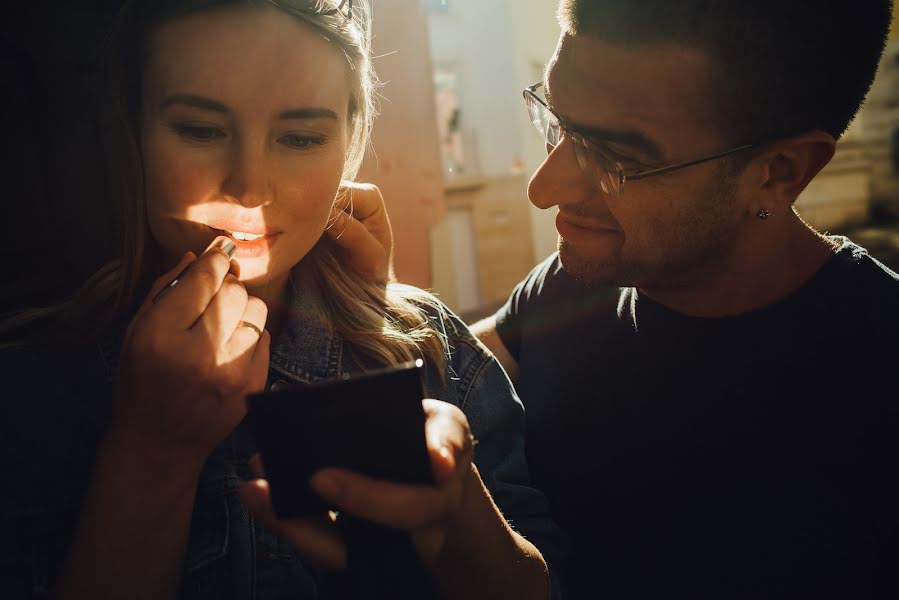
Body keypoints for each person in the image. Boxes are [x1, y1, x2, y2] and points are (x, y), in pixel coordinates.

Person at [0, 1, 567, 598]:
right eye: (200, 129)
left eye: (299, 137)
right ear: (131, 129)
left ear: (349, 144)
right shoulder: (34, 386)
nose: (250, 186)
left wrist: (461, 527)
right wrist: (151, 455)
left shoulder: (431, 347)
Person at [342, 1, 899, 598]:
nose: (543, 187)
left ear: (780, 171)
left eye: (615, 159)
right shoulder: (568, 289)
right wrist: (376, 309)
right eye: (557, 122)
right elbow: (452, 379)